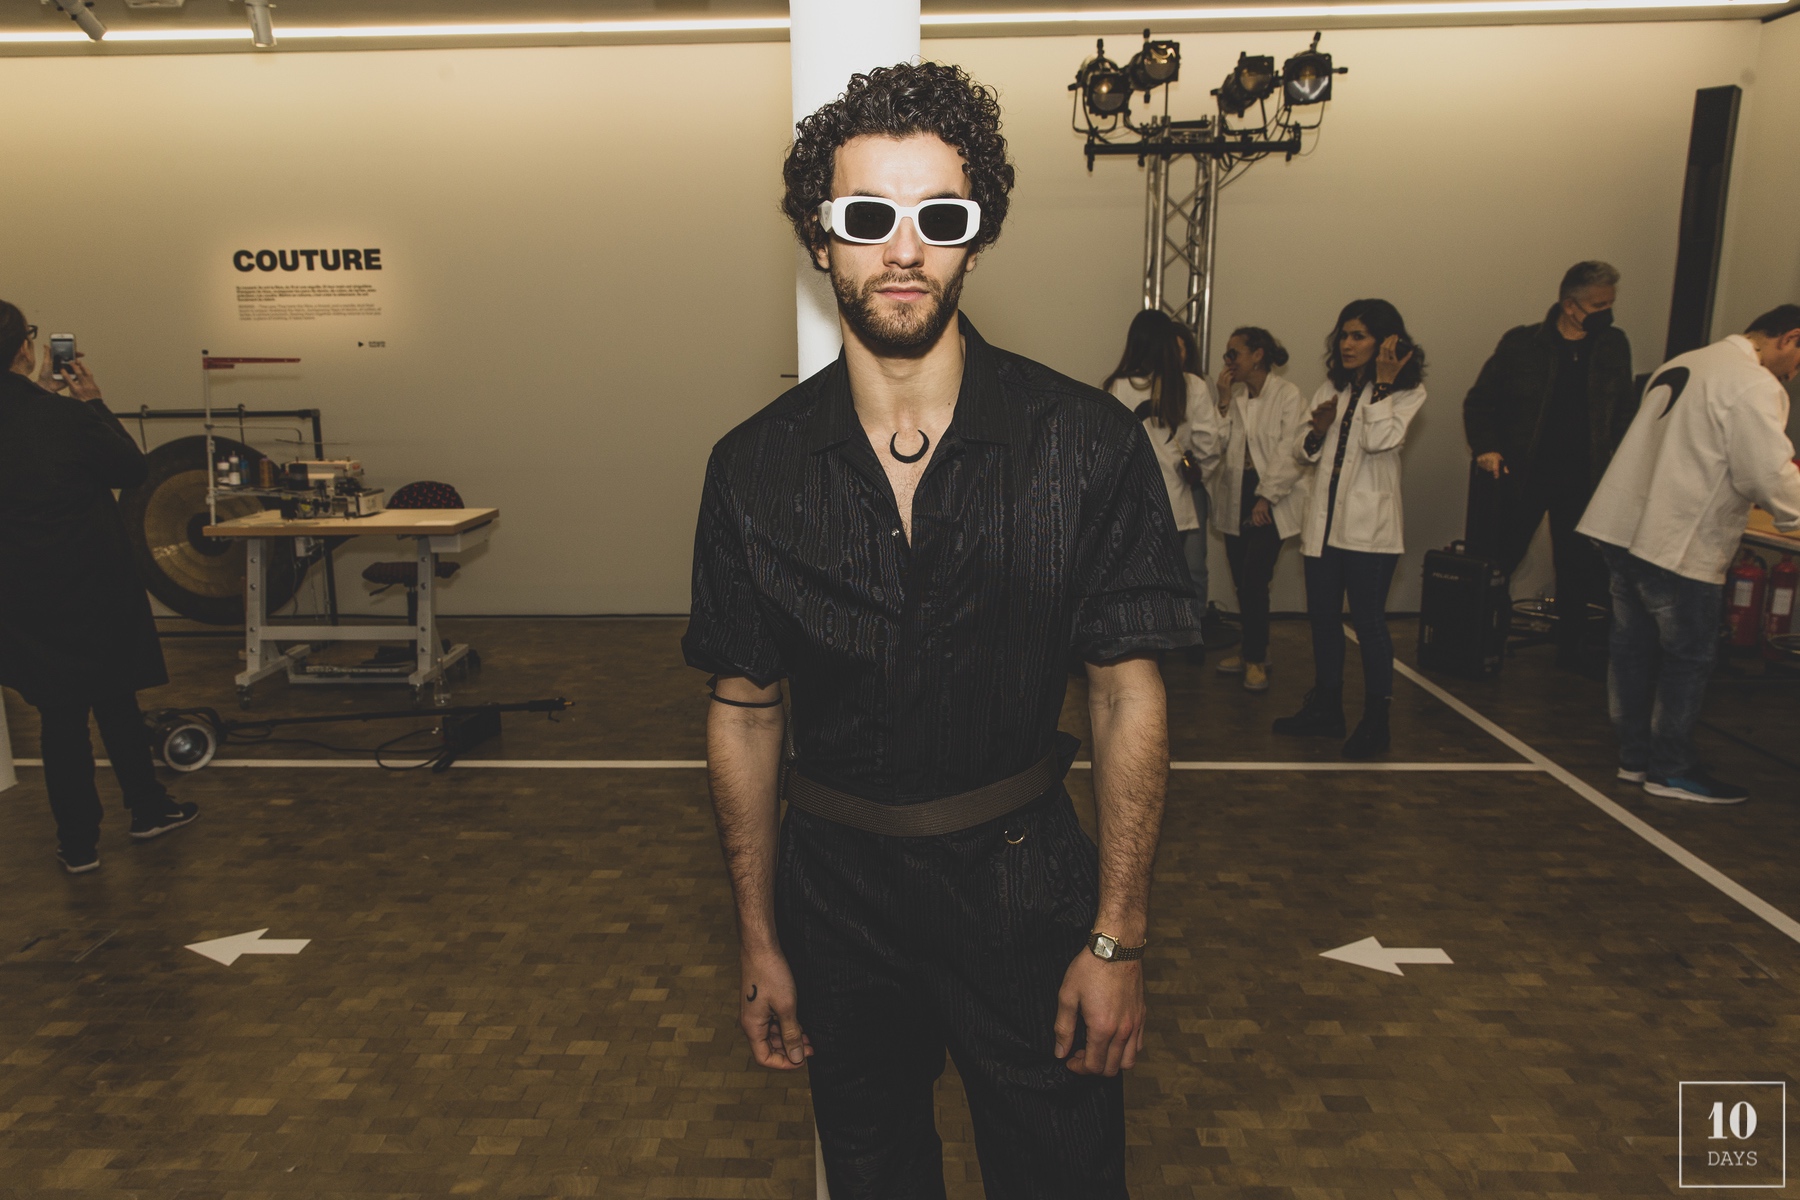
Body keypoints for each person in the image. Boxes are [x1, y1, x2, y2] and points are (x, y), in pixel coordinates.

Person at [683, 63, 1200, 1199]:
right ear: (821, 238)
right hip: (836, 901)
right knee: (873, 1177)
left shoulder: (1085, 445)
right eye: (868, 218)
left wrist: (1118, 936)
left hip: (1026, 888)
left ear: (977, 235)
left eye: (941, 218)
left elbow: (1126, 693)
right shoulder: (753, 469)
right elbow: (746, 711)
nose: (905, 250)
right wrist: (759, 937)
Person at [0, 302, 199, 874]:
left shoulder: (40, 411)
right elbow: (130, 471)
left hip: (22, 592)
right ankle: (147, 809)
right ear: (25, 348)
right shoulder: (64, 416)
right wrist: (91, 402)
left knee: (61, 717)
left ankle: (79, 844)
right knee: (115, 699)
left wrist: (40, 394)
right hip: (92, 583)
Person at [1577, 304, 1800, 805]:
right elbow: (1766, 473)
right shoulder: (1753, 382)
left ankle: (1635, 758)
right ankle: (1672, 769)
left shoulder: (1687, 362)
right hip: (1675, 539)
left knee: (1632, 650)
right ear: (1790, 338)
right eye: (1798, 361)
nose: (1793, 374)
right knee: (1688, 657)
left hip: (1625, 527)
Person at [1273, 300, 1427, 759]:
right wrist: (1318, 430)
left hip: (1369, 531)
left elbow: (1381, 440)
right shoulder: (1332, 387)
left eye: (1358, 335)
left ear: (1386, 342)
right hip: (1323, 525)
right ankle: (1327, 708)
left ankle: (1377, 722)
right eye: (1343, 334)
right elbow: (1303, 452)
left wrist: (1383, 385)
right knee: (1322, 618)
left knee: (1369, 624)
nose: (1347, 343)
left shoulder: (1407, 393)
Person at [1462, 262, 1637, 666]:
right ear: (1570, 305)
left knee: (1578, 567)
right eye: (1599, 305)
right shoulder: (1522, 344)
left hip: (1584, 476)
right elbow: (1479, 402)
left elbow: (1625, 412)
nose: (1607, 312)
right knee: (1501, 558)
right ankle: (1482, 641)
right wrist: (1487, 448)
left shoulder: (1613, 345)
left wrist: (1623, 466)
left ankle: (1574, 651)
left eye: (1610, 303)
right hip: (1524, 473)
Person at [1104, 309, 1220, 642]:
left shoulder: (1118, 386)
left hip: (1135, 500)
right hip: (1179, 497)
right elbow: (1209, 444)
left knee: (1140, 575)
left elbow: (1111, 447)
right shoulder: (1192, 385)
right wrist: (1194, 468)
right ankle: (1191, 639)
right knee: (1186, 572)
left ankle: (1147, 641)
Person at [1207, 327, 1309, 692]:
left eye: (1234, 353)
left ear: (1258, 355)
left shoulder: (1287, 394)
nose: (1228, 361)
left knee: (1254, 579)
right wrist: (1222, 401)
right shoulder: (1235, 397)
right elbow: (1216, 446)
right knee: (1242, 580)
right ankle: (1255, 650)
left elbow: (1290, 451)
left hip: (1272, 497)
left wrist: (1266, 497)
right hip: (1237, 493)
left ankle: (1254, 658)